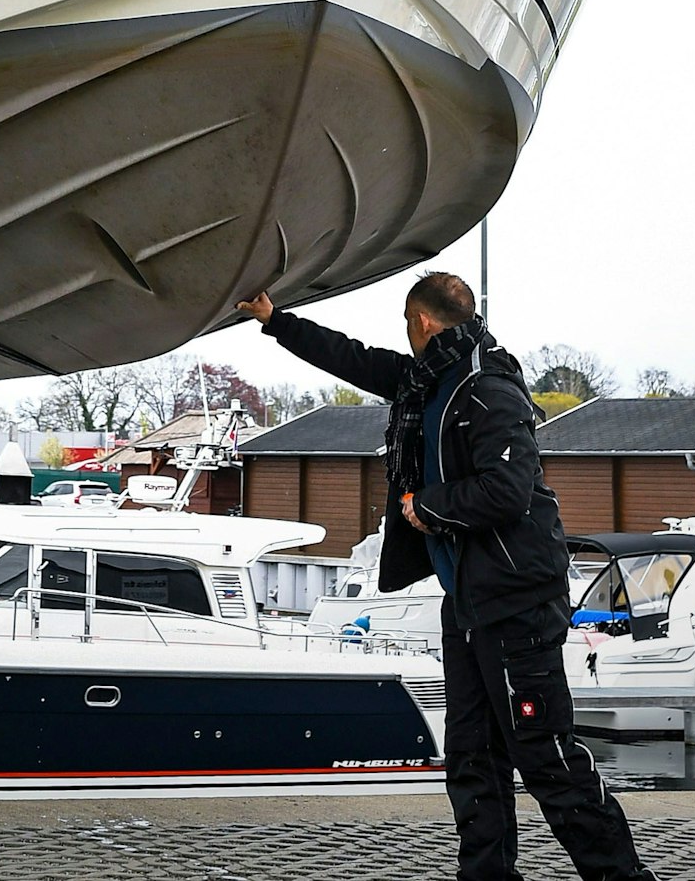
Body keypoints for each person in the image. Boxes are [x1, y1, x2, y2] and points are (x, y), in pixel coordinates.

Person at [238, 273, 651, 881]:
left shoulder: (489, 388)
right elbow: (354, 359)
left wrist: (427, 507)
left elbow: (508, 491)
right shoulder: (425, 379)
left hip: (516, 600)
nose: (403, 337)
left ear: (423, 321)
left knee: (544, 756)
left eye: (407, 325)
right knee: (471, 754)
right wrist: (276, 320)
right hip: (466, 601)